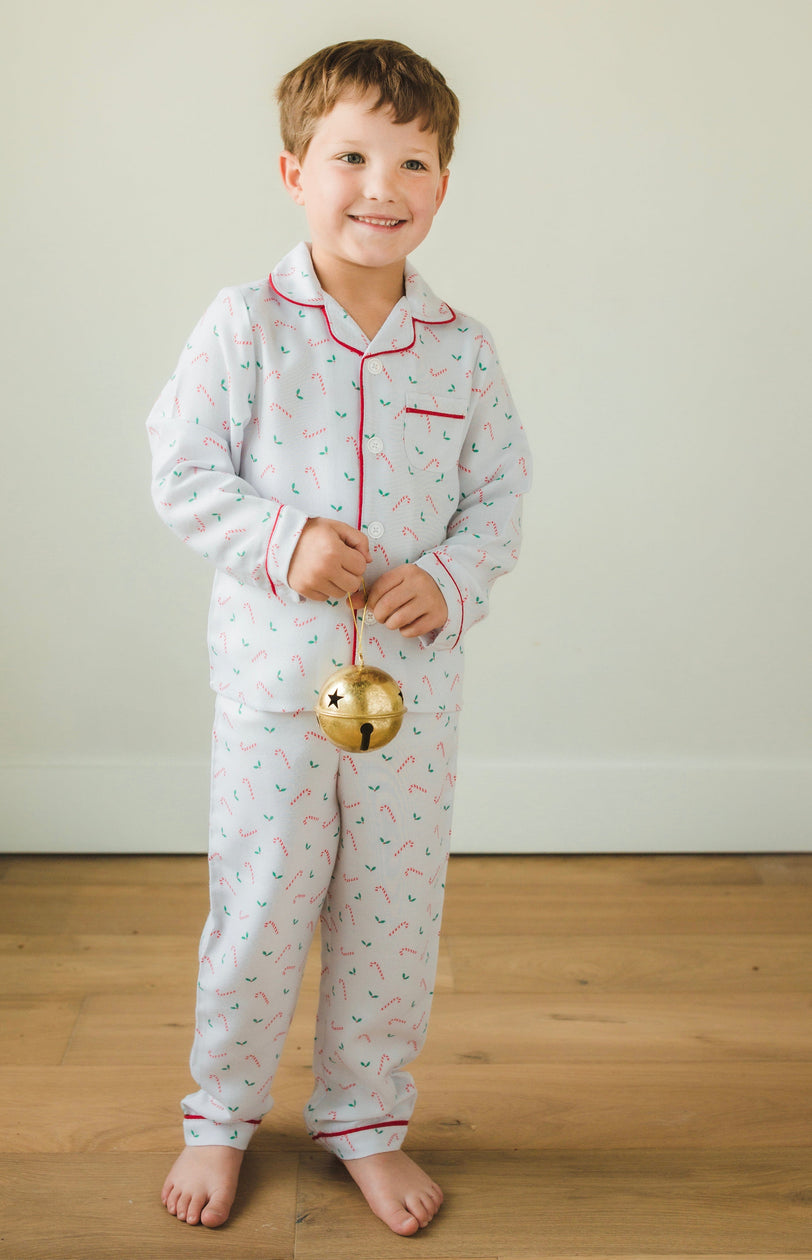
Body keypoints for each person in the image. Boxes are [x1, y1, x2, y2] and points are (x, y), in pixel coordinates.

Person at [146, 37, 531, 1236]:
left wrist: (451, 581)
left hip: (410, 699)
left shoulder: (461, 348)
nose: (382, 186)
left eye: (411, 162)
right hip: (275, 690)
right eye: (352, 157)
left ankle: (366, 1119)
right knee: (259, 910)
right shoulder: (245, 326)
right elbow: (182, 471)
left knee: (393, 918)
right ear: (294, 172)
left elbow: (499, 498)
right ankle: (220, 1115)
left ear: (443, 184)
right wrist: (283, 540)